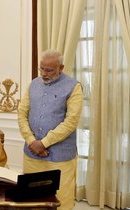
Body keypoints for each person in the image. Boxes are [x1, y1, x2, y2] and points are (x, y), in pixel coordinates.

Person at [18, 49, 83, 210]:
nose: (44, 73)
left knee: (61, 200)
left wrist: (44, 143)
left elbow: (71, 122)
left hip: (60, 157)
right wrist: (32, 141)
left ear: (61, 68)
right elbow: (22, 113)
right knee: (32, 198)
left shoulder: (73, 87)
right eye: (41, 69)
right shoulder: (33, 84)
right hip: (32, 154)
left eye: (49, 70)